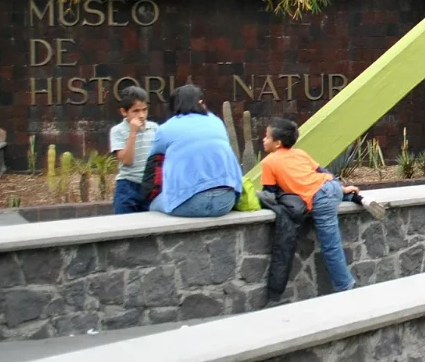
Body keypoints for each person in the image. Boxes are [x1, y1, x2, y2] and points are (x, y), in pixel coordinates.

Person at [260, 117, 356, 293]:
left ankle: (346, 287)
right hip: (331, 185)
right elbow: (322, 172)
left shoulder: (268, 163)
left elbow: (270, 193)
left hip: (320, 198)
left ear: (278, 143)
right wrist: (339, 188)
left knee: (330, 245)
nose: (263, 140)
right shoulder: (300, 153)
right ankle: (350, 195)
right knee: (332, 194)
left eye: (267, 137)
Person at [148, 85, 241, 218]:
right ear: (200, 102)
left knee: (153, 204)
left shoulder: (166, 129)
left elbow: (153, 159)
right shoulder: (216, 121)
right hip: (226, 201)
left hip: (189, 203)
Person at [109, 86, 158, 215]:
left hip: (149, 185)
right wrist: (133, 133)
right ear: (124, 112)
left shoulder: (154, 128)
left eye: (144, 110)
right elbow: (126, 160)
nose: (141, 115)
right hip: (127, 186)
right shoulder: (117, 131)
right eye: (135, 111)